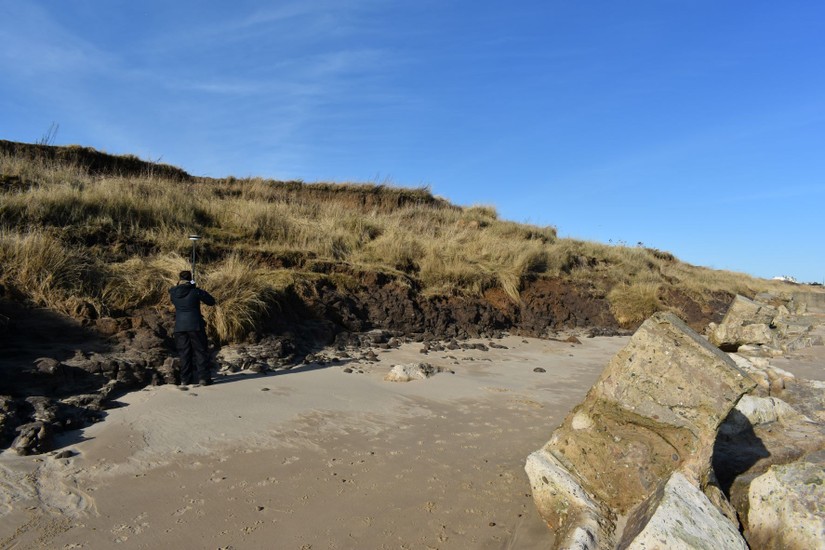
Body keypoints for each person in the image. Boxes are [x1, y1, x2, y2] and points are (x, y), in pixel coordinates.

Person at [169, 270, 216, 386]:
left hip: (180, 327)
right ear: (190, 279)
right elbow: (211, 301)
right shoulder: (195, 291)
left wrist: (190, 286)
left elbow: (178, 294)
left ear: (179, 279)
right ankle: (204, 379)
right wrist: (194, 287)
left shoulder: (173, 293)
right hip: (195, 325)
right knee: (200, 351)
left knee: (184, 353)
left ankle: (185, 380)